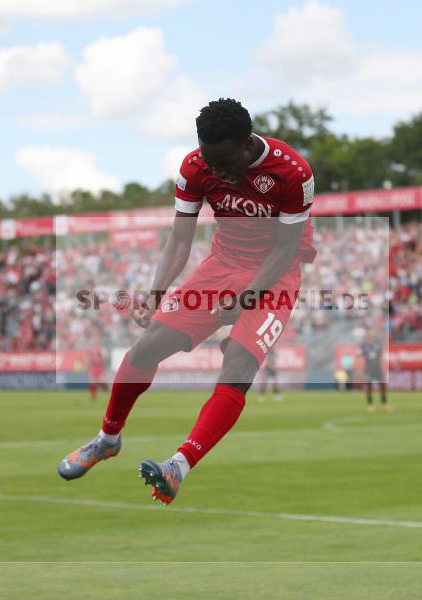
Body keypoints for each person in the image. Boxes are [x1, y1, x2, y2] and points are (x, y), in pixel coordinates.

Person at [58, 98, 316, 504]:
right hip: (221, 264)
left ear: (248, 145)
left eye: (225, 162)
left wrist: (247, 297)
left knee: (239, 363)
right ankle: (107, 439)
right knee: (146, 347)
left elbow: (285, 250)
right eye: (210, 162)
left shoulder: (292, 171)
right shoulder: (195, 167)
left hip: (276, 274)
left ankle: (177, 466)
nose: (218, 173)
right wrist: (156, 293)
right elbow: (180, 238)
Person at [358, 330, 389, 413]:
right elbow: (360, 356)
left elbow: (382, 356)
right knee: (369, 386)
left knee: (382, 385)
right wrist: (361, 369)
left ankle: (384, 404)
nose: (372, 336)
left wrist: (384, 367)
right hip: (368, 368)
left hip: (378, 368)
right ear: (367, 336)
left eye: (374, 334)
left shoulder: (378, 345)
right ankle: (370, 404)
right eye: (371, 334)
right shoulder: (364, 346)